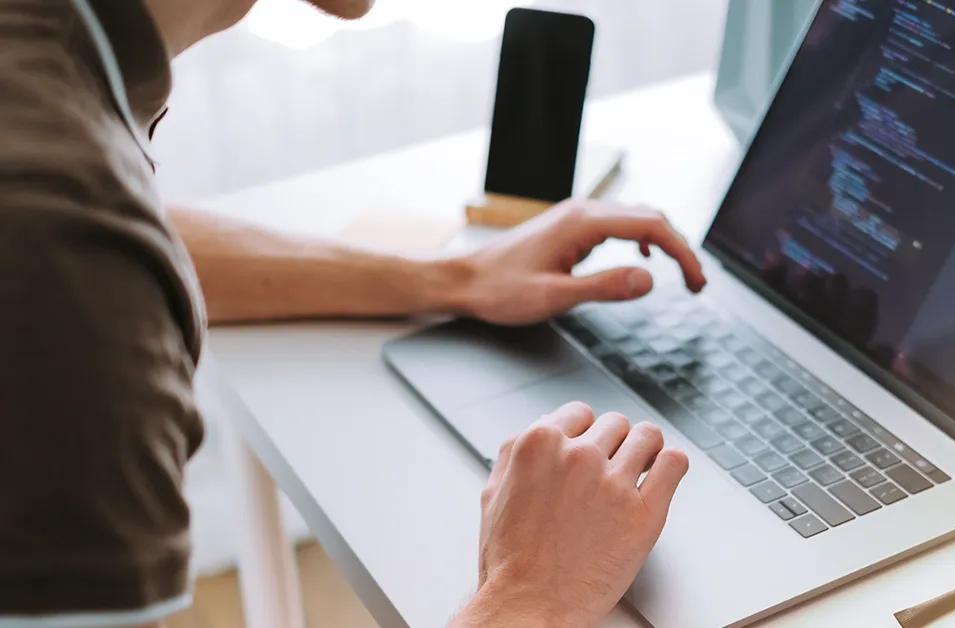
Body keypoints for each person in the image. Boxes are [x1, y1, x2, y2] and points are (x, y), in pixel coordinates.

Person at [0, 0, 707, 625]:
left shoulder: (43, 66)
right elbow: (79, 244)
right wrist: (529, 598)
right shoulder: (62, 253)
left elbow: (138, 229)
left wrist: (452, 279)